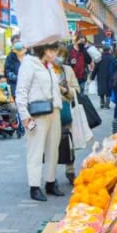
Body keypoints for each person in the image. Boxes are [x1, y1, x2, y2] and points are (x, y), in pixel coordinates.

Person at [15, 45, 65, 202]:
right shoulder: (29, 64)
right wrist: (24, 114)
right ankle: (34, 186)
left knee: (53, 149)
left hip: (54, 111)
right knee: (35, 150)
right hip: (37, 113)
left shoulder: (49, 66)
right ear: (45, 50)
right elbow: (21, 90)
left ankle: (51, 181)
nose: (55, 54)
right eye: (53, 51)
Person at [51, 44, 80, 184]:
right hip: (51, 112)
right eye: (58, 54)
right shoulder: (46, 70)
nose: (60, 58)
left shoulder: (68, 70)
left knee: (69, 142)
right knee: (52, 143)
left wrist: (65, 90)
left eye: (63, 55)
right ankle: (51, 175)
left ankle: (70, 170)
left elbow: (77, 90)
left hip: (66, 111)